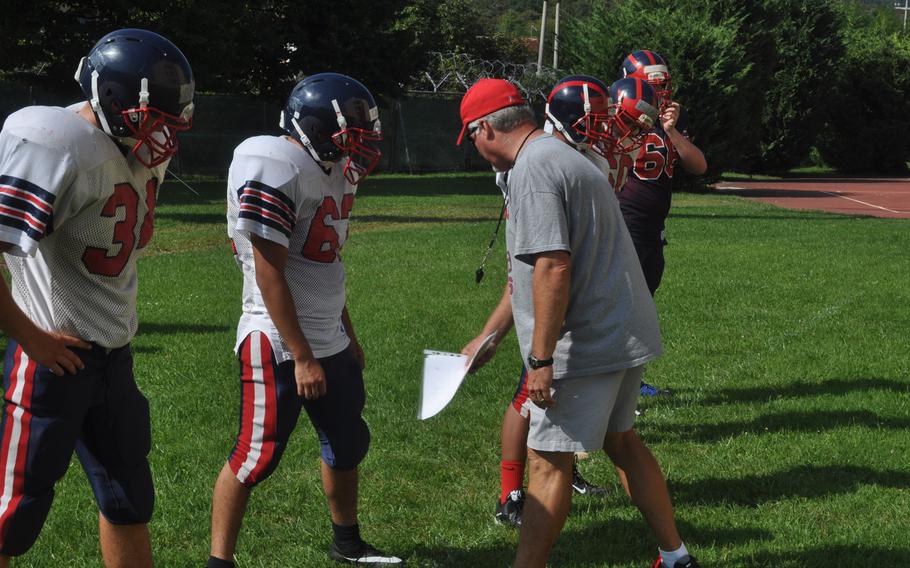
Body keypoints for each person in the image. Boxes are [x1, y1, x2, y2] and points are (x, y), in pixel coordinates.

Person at [458, 78, 700, 568]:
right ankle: (675, 557)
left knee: (547, 466)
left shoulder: (534, 170)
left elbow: (553, 266)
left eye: (472, 139)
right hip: (624, 328)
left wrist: (541, 360)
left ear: (485, 128)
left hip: (588, 340)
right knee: (622, 442)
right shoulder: (562, 156)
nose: (477, 152)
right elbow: (528, 273)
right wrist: (491, 334)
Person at [0, 28, 194, 567]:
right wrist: (31, 338)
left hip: (113, 358)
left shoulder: (138, 147)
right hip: (51, 357)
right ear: (110, 101)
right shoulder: (53, 139)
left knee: (129, 500)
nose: (162, 137)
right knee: (13, 513)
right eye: (150, 120)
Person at [208, 73, 400, 568]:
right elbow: (270, 271)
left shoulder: (334, 169)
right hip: (276, 340)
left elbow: (325, 265)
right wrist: (303, 356)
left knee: (347, 442)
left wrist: (346, 332)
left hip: (327, 335)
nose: (359, 142)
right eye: (350, 131)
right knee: (256, 456)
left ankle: (348, 544)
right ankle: (218, 561)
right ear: (314, 127)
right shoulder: (275, 162)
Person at [618, 50, 708, 355]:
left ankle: (632, 381)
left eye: (662, 83)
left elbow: (699, 166)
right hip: (625, 221)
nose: (660, 91)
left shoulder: (671, 118)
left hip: (653, 227)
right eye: (652, 84)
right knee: (621, 305)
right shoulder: (619, 115)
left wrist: (670, 130)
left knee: (642, 306)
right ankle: (613, 384)